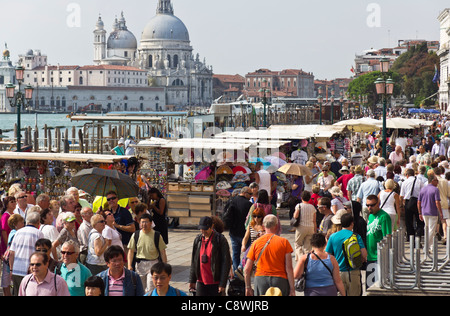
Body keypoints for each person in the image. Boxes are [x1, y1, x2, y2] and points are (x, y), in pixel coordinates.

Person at [244, 214, 295, 296]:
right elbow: (289, 268)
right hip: (280, 280)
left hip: (261, 279)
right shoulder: (284, 242)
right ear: (276, 226)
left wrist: (248, 287)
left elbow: (246, 269)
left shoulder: (256, 243)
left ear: (263, 226)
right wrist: (292, 289)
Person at [325, 213, 367, 296]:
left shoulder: (333, 236)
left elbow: (327, 255)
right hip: (353, 271)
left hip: (338, 272)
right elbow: (364, 254)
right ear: (352, 223)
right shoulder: (356, 236)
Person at [189, 216, 231, 296]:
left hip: (215, 282)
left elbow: (226, 262)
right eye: (201, 229)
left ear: (211, 226)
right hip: (201, 281)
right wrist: (192, 280)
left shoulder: (220, 240)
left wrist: (222, 284)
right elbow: (194, 261)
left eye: (205, 229)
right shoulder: (198, 240)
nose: (203, 231)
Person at [127, 213, 167, 294]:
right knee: (140, 287)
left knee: (150, 286)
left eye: (146, 222)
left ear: (151, 223)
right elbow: (130, 251)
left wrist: (164, 265)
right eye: (142, 222)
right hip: (140, 264)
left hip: (153, 263)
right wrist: (129, 265)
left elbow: (163, 252)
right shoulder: (136, 235)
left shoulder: (157, 235)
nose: (144, 224)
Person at [9, 212, 44, 296]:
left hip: (17, 270)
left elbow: (11, 253)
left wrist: (11, 269)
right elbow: (42, 253)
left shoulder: (18, 232)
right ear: (38, 222)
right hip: (31, 271)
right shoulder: (39, 233)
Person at [222, 186, 253, 273]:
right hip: (245, 233)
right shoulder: (249, 205)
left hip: (233, 232)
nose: (251, 196)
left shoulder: (231, 200)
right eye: (250, 194)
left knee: (235, 254)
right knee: (247, 253)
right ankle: (242, 269)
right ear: (245, 193)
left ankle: (236, 272)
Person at [365, 195, 392, 290]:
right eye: (367, 205)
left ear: (378, 204)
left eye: (372, 205)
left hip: (379, 257)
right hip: (370, 256)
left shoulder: (384, 217)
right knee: (369, 287)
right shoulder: (370, 216)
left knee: (378, 287)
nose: (369, 207)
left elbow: (388, 237)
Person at [418, 175, 443, 253]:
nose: (437, 182)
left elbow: (418, 202)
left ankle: (431, 246)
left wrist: (420, 212)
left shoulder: (423, 189)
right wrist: (440, 212)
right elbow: (437, 202)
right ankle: (426, 246)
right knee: (431, 230)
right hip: (433, 212)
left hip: (424, 211)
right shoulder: (435, 189)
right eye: (436, 180)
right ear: (432, 181)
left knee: (428, 229)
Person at [400, 168, 424, 238]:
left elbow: (401, 196)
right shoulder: (419, 182)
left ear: (407, 175)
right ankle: (418, 235)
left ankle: (410, 237)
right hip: (417, 201)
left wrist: (401, 205)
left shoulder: (405, 182)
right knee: (419, 221)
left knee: (409, 221)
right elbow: (422, 193)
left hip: (408, 202)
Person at [292, 191, 317, 261]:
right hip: (311, 227)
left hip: (301, 227)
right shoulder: (312, 207)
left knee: (298, 244)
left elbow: (295, 216)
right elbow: (314, 220)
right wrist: (315, 230)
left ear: (301, 197)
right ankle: (308, 259)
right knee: (308, 246)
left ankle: (301, 259)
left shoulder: (299, 205)